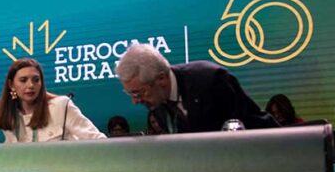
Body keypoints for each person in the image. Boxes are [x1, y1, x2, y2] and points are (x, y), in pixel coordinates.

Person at [115, 43, 277, 133]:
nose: (135, 101)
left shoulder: (211, 80)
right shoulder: (157, 105)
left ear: (161, 79)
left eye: (138, 93)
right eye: (130, 94)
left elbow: (257, 125)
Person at [0, 58, 105, 142]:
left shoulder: (61, 105)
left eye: (36, 80)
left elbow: (98, 140)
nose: (31, 85)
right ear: (11, 85)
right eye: (23, 80)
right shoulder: (10, 115)